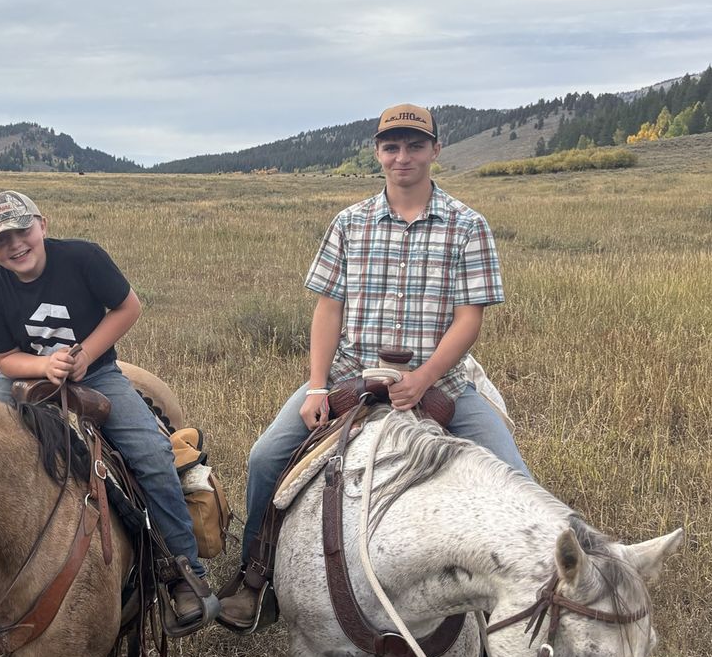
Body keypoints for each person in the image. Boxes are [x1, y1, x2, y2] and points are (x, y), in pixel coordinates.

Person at [217, 103, 530, 630]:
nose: (402, 156)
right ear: (378, 153)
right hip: (350, 373)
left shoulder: (467, 226)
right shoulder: (350, 223)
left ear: (435, 150)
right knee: (265, 457)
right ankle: (257, 576)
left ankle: (511, 612)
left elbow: (468, 319)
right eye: (391, 146)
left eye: (415, 145)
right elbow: (328, 309)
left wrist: (423, 379)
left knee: (515, 481)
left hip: (443, 382)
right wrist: (317, 386)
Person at [0, 190, 218, 636]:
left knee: (152, 453)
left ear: (42, 224)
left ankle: (183, 570)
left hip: (98, 373)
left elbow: (128, 307)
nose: (15, 245)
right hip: (25, 379)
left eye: (22, 231)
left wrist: (86, 354)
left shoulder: (82, 258)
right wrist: (43, 366)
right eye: (1, 240)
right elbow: (5, 358)